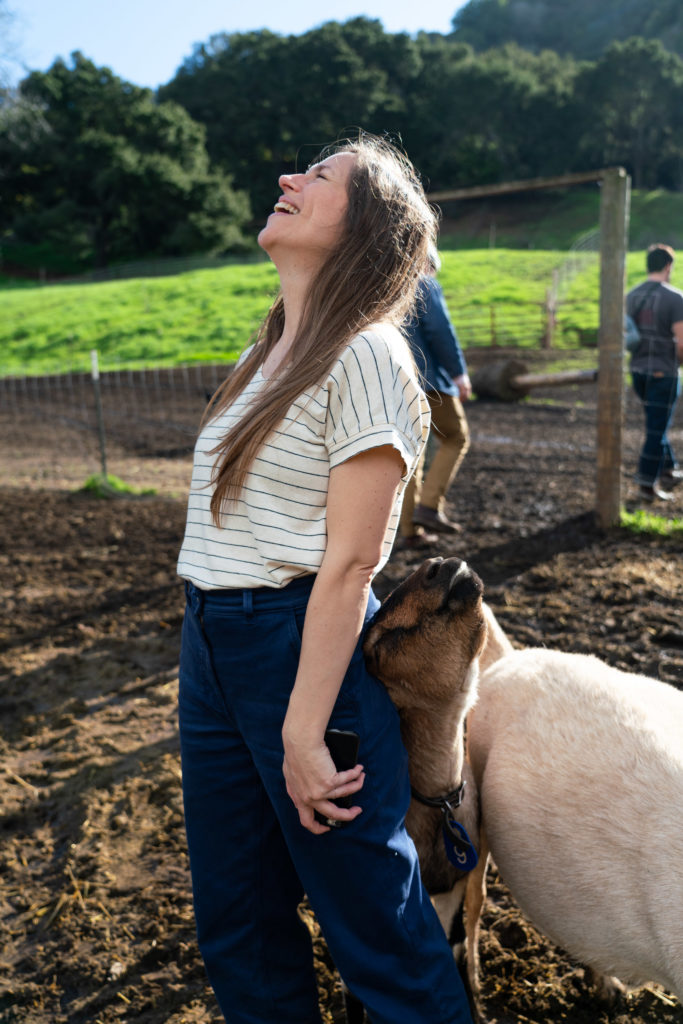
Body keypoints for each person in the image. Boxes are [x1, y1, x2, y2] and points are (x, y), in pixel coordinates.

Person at [176, 135, 474, 1024]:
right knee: (238, 920)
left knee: (373, 931)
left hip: (298, 649)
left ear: (367, 233)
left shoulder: (370, 357)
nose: (286, 180)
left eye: (319, 178)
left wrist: (303, 732)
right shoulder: (263, 353)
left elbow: (351, 562)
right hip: (213, 646)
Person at [397, 247, 472, 547]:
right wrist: (458, 373)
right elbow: (441, 331)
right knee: (457, 437)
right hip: (428, 382)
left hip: (397, 384)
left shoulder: (386, 287)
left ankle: (409, 531)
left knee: (413, 452)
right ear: (428, 263)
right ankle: (428, 507)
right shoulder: (424, 283)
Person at [626, 243, 683, 503]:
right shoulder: (675, 298)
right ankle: (646, 484)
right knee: (656, 431)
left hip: (638, 371)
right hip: (664, 372)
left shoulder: (631, 296)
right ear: (668, 266)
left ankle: (670, 468)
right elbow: (681, 342)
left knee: (655, 423)